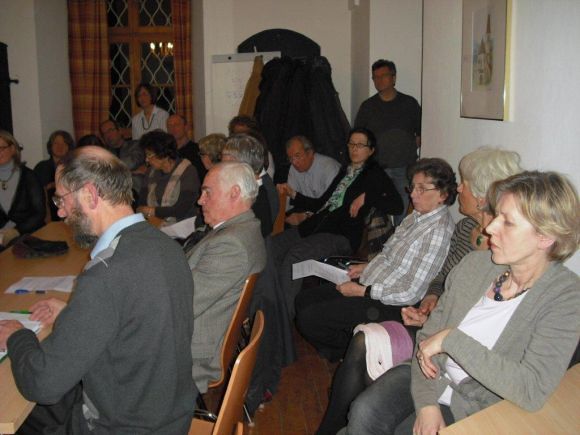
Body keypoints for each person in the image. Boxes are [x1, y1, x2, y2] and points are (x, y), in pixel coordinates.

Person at [344, 170, 580, 435]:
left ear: (545, 237)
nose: (490, 228)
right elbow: (427, 339)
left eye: (508, 222)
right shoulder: (476, 265)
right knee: (363, 411)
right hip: (428, 375)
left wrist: (451, 340)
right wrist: (427, 404)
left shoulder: (566, 297)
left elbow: (531, 390)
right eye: (496, 215)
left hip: (474, 404)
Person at [317, 147, 522, 434]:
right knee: (360, 366)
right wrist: (431, 299)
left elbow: (479, 321)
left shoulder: (503, 254)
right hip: (432, 323)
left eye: (464, 183)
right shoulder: (465, 229)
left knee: (362, 347)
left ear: (482, 196)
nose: (458, 188)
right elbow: (441, 278)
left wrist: (431, 318)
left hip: (447, 341)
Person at [0, 146, 196, 434]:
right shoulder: (166, 246)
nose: (60, 211)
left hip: (121, 426)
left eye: (62, 199)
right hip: (166, 414)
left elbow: (42, 385)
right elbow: (133, 319)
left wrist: (17, 335)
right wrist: (72, 314)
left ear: (90, 194)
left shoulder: (106, 274)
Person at [295, 157, 456, 362]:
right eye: (413, 187)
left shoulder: (437, 231)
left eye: (422, 189)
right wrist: (366, 266)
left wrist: (361, 291)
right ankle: (346, 345)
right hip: (373, 282)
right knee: (304, 300)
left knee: (309, 318)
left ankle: (351, 353)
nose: (413, 194)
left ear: (443, 194)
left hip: (390, 302)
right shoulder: (417, 216)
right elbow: (391, 254)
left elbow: (410, 293)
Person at [272, 127, 403, 319]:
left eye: (360, 145)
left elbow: (397, 206)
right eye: (351, 144)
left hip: (340, 235)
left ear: (371, 150)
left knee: (295, 256)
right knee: (271, 247)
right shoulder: (345, 171)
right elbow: (321, 204)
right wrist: (294, 194)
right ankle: (269, 308)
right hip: (315, 226)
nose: (354, 149)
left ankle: (283, 319)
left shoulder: (375, 174)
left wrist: (366, 197)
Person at [187, 162, 266, 393]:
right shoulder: (243, 229)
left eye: (207, 192)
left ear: (234, 193)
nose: (200, 200)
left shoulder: (231, 245)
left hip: (189, 353)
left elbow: (182, 304)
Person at [354, 59, 421, 225]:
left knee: (402, 211)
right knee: (376, 213)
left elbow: (421, 133)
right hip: (377, 169)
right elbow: (359, 138)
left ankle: (399, 238)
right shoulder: (368, 107)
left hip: (404, 167)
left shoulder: (409, 103)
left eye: (383, 76)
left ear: (394, 77)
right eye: (375, 77)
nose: (379, 80)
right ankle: (381, 239)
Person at [221, 134, 279, 237]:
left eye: (226, 165)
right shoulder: (248, 190)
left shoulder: (257, 198)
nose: (223, 171)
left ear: (244, 167)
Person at [136, 130, 200, 223]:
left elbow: (181, 209)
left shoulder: (188, 171)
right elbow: (141, 205)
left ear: (164, 154)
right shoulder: (150, 172)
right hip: (154, 223)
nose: (146, 160)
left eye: (149, 155)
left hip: (182, 224)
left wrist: (151, 211)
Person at [0, 130, 45, 248]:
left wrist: (15, 231)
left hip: (27, 236)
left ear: (12, 149)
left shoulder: (29, 177)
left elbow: (39, 213)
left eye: (1, 148)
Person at [277, 135, 341, 213]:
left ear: (310, 153)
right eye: (290, 158)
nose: (294, 162)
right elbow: (289, 201)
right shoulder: (293, 169)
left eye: (297, 156)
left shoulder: (329, 168)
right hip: (309, 212)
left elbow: (329, 205)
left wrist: (305, 215)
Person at [34, 130, 75, 221]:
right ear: (50, 146)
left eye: (64, 143)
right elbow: (39, 195)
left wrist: (53, 185)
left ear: (69, 147)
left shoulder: (75, 166)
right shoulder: (42, 167)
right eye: (56, 143)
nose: (60, 146)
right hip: (49, 215)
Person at [99, 119, 146, 195]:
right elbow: (102, 173)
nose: (108, 135)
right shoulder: (104, 153)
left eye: (110, 130)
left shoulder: (135, 145)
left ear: (119, 131)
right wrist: (131, 172)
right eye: (104, 134)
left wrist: (111, 170)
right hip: (114, 191)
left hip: (135, 189)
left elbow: (133, 162)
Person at [167, 114, 207, 182]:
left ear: (186, 127)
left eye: (176, 125)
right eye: (169, 126)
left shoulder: (197, 150)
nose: (172, 128)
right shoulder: (166, 152)